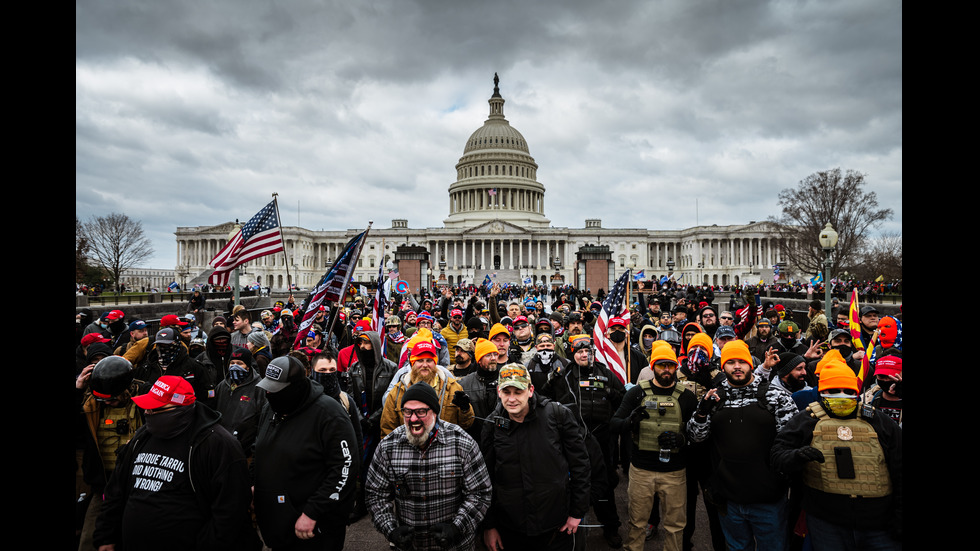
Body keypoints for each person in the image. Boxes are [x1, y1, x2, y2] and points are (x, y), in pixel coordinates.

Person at [93, 375, 259, 551]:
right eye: (147, 408)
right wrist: (106, 535)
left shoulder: (217, 444)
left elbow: (231, 510)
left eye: (155, 408)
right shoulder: (142, 437)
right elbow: (115, 490)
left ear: (180, 408)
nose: (147, 413)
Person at [771, 359, 902, 551]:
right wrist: (797, 457)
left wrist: (899, 516)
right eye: (832, 391)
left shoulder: (879, 422)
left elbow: (899, 468)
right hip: (827, 523)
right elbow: (777, 455)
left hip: (879, 524)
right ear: (821, 393)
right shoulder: (807, 420)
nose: (841, 396)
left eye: (848, 392)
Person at [687, 340, 799, 551]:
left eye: (741, 361)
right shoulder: (714, 398)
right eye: (731, 362)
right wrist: (702, 411)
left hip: (769, 500)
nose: (737, 366)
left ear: (750, 364)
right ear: (723, 367)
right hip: (729, 501)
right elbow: (696, 437)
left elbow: (790, 443)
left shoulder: (777, 397)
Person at [365, 381, 493, 551]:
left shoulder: (462, 443)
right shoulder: (388, 447)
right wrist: (391, 530)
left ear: (434, 412)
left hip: (456, 546)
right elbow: (375, 495)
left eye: (421, 412)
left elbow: (480, 493)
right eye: (408, 412)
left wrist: (457, 527)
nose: (413, 419)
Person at [480, 363, 591, 551]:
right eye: (507, 392)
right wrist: (489, 526)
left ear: (530, 390)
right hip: (511, 528)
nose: (512, 399)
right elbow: (485, 480)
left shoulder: (558, 416)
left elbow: (581, 466)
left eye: (518, 391)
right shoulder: (492, 425)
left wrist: (577, 513)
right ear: (499, 392)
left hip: (556, 526)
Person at [253, 356, 359, 550]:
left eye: (276, 389)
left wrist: (313, 512)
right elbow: (261, 448)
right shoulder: (271, 408)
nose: (269, 393)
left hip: (313, 526)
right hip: (277, 523)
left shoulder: (329, 413)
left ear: (295, 387)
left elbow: (344, 468)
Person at [611, 342, 697, 551]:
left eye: (670, 365)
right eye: (661, 365)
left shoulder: (686, 397)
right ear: (653, 366)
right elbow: (614, 424)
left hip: (674, 472)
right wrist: (630, 422)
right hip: (641, 470)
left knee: (675, 526)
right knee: (637, 523)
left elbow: (698, 433)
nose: (666, 370)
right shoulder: (637, 393)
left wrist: (682, 440)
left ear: (676, 366)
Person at [76, 356, 144, 551]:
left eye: (111, 400)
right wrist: (77, 390)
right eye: (102, 400)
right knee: (90, 541)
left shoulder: (144, 398)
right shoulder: (90, 405)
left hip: (137, 488)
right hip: (103, 488)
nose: (106, 404)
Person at [380, 341, 474, 437]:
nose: (425, 365)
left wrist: (465, 410)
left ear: (435, 362)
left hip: (445, 448)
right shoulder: (398, 391)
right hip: (409, 448)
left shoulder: (452, 388)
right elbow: (387, 429)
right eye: (420, 360)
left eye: (429, 360)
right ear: (412, 363)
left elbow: (466, 424)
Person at [214, 347, 267, 458]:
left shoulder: (259, 387)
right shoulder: (222, 386)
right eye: (232, 363)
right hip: (220, 444)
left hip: (245, 449)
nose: (234, 366)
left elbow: (262, 418)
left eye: (239, 363)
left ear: (248, 366)